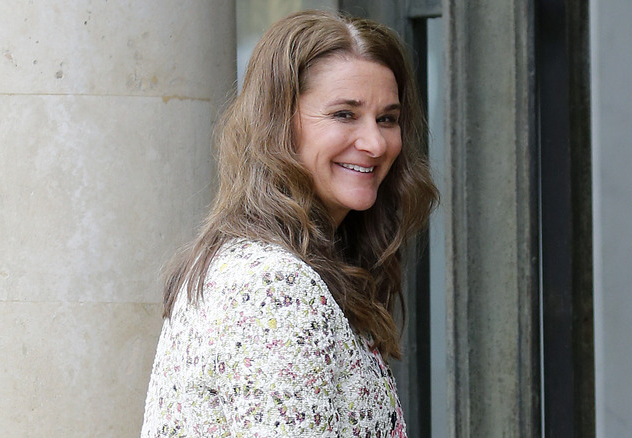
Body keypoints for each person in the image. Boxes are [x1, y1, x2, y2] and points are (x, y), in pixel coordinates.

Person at [141, 9, 438, 437]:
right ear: (279, 124)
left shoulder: (270, 265)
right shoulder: (273, 285)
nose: (375, 143)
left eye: (387, 119)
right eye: (344, 114)